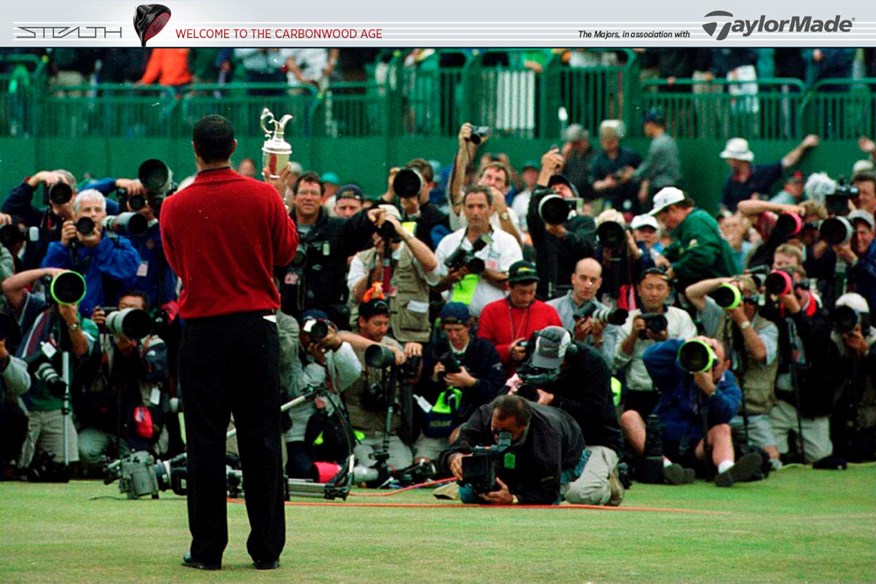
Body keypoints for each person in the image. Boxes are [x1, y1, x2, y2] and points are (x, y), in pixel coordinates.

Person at [160, 114, 298, 571]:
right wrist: (276, 201)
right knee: (260, 440)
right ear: (235, 145)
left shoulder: (175, 205)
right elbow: (285, 253)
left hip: (202, 331)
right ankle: (267, 550)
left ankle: (206, 551)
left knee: (204, 443)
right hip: (255, 328)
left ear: (195, 149)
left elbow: (178, 263)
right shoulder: (263, 195)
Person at [510, 326, 624, 506]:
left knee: (580, 495)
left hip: (594, 440)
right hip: (552, 442)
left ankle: (609, 486)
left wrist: (554, 401)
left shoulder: (594, 364)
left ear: (569, 352)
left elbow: (595, 412)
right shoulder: (534, 361)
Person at [3, 267, 99, 473]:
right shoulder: (36, 311)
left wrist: (71, 321)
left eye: (73, 288)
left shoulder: (87, 325)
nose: (67, 293)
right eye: (63, 287)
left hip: (58, 406)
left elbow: (82, 350)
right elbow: (8, 287)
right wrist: (47, 271)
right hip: (24, 401)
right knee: (18, 466)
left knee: (67, 466)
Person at [640, 337, 763, 486]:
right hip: (663, 442)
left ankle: (727, 471)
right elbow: (648, 357)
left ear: (726, 365)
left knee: (722, 428)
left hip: (698, 446)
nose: (709, 366)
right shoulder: (682, 368)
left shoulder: (728, 384)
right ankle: (666, 467)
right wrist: (686, 344)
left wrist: (711, 390)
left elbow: (727, 413)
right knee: (629, 417)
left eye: (715, 362)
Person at [685, 276, 781, 467]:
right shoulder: (719, 317)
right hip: (719, 409)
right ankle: (728, 464)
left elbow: (760, 353)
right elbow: (692, 293)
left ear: (752, 300)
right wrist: (726, 281)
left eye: (742, 295)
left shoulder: (767, 327)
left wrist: (742, 320)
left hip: (753, 411)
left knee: (773, 460)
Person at [77, 291, 170, 469]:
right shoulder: (103, 339)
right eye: (122, 308)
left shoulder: (154, 343)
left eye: (132, 309)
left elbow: (151, 373)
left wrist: (131, 352)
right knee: (84, 452)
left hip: (138, 425)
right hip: (104, 422)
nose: (125, 314)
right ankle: (109, 466)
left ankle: (122, 465)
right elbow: (85, 373)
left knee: (141, 464)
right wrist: (97, 330)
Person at [441, 394, 586, 505]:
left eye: (506, 432)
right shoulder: (484, 415)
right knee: (469, 495)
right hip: (513, 457)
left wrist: (515, 498)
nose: (498, 436)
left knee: (546, 501)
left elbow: (548, 492)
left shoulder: (547, 437)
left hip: (566, 458)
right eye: (495, 430)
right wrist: (455, 458)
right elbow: (451, 450)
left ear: (523, 426)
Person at [415, 302, 505, 461]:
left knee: (459, 442)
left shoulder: (485, 349)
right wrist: (435, 379)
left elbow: (497, 389)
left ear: (469, 327)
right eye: (448, 331)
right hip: (438, 422)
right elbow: (421, 393)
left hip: (471, 420)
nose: (454, 336)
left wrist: (471, 382)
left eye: (458, 330)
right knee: (421, 461)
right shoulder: (435, 350)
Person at [615, 268, 697, 436]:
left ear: (668, 291)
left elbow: (691, 357)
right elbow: (617, 362)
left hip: (673, 393)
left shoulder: (681, 318)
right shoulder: (628, 319)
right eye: (649, 287)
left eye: (660, 288)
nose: (654, 293)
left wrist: (665, 342)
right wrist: (632, 335)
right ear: (638, 290)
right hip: (639, 393)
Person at [40, 190, 141, 317]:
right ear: (75, 216)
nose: (93, 215)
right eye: (87, 210)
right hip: (70, 317)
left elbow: (129, 271)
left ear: (105, 215)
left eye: (98, 210)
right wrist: (62, 247)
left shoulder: (117, 241)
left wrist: (99, 245)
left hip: (108, 317)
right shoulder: (65, 243)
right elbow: (45, 278)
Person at [347, 205, 440, 343]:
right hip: (370, 337)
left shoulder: (414, 253)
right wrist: (379, 261)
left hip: (409, 337)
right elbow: (357, 294)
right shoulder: (362, 259)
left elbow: (432, 265)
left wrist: (403, 233)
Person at [434, 186, 522, 317]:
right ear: (463, 209)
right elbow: (435, 285)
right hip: (457, 323)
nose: (475, 212)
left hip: (495, 319)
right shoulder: (449, 242)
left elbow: (515, 284)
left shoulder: (506, 242)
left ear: (491, 209)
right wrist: (451, 279)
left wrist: (481, 270)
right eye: (470, 207)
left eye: (481, 206)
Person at [527, 149, 598, 299]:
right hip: (545, 295)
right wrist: (546, 171)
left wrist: (562, 234)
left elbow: (586, 247)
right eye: (553, 189)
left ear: (574, 195)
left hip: (575, 295)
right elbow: (533, 210)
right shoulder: (541, 223)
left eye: (563, 188)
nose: (558, 190)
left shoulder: (584, 221)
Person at [477, 261, 562, 375]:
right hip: (499, 376)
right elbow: (481, 350)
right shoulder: (491, 311)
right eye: (522, 293)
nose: (527, 298)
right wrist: (507, 351)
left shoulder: (548, 312)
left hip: (538, 378)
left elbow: (559, 347)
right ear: (509, 287)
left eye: (532, 292)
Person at [650, 187, 738, 292]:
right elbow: (681, 246)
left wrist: (675, 270)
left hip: (722, 291)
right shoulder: (690, 224)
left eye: (664, 219)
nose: (665, 225)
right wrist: (665, 255)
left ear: (673, 209)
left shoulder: (697, 222)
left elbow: (702, 256)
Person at [547, 257, 620, 365]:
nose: (587, 285)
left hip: (592, 377)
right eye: (583, 278)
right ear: (573, 278)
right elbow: (547, 356)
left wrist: (599, 340)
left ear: (599, 283)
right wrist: (576, 340)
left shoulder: (607, 316)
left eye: (593, 280)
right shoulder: (552, 309)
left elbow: (608, 365)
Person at [720, 135, 819, 212]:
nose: (728, 161)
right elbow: (724, 206)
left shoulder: (761, 172)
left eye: (730, 158)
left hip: (762, 216)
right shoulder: (730, 181)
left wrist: (803, 146)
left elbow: (786, 162)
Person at [621, 111, 682, 208]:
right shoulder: (669, 140)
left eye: (645, 125)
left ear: (651, 125)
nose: (644, 129)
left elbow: (649, 166)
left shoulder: (658, 143)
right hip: (673, 185)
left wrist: (632, 174)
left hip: (663, 187)